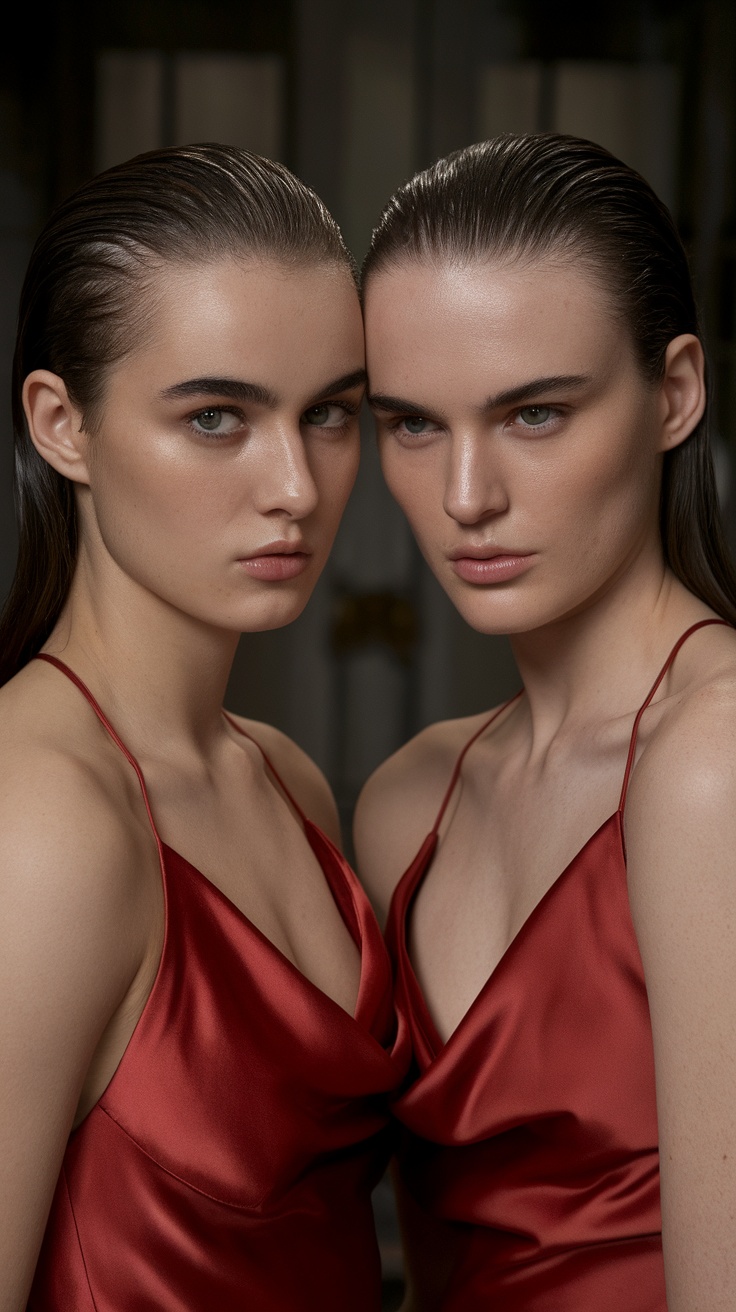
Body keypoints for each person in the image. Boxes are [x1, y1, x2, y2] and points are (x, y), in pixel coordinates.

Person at [0, 143, 407, 1311]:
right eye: (217, 415)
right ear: (60, 423)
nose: (296, 482)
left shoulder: (287, 780)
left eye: (328, 412)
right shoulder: (43, 822)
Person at [355, 134, 736, 1311]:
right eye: (412, 423)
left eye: (533, 413)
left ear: (673, 393)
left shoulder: (712, 760)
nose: (466, 495)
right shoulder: (406, 801)